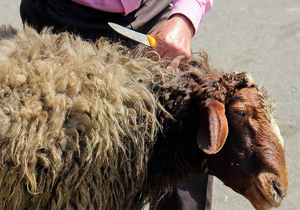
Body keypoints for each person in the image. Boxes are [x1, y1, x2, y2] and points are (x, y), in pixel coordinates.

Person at [20, 0, 214, 209]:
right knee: (75, 154)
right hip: (66, 18)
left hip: (152, 15)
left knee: (189, 124)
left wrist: (184, 18)